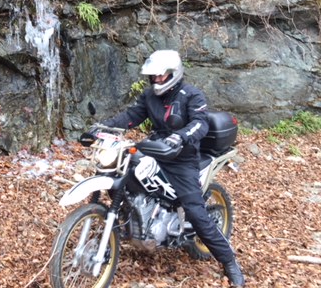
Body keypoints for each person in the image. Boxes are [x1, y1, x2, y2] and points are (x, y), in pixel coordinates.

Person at [84, 49, 245, 287]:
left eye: (162, 75)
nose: (157, 80)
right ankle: (133, 221)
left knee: (195, 212)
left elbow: (199, 124)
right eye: (154, 76)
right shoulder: (149, 96)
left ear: (173, 73)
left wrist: (180, 137)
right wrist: (102, 127)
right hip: (156, 148)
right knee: (121, 173)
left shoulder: (192, 95)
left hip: (183, 157)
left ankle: (229, 261)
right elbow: (130, 116)